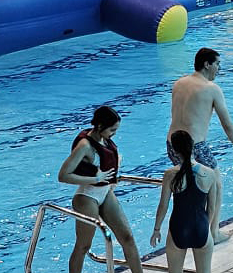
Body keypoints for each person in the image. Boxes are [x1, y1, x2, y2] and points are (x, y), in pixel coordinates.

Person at [167, 48, 233, 243]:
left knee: (188, 187)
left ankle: (188, 227)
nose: (219, 69)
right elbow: (228, 125)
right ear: (207, 64)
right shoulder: (211, 89)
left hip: (172, 144)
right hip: (194, 146)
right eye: (217, 64)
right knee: (216, 185)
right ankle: (212, 233)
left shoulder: (179, 83)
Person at [57, 106, 144, 273]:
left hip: (105, 193)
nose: (114, 134)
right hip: (87, 197)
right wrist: (95, 179)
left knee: (128, 238)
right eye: (112, 130)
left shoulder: (104, 140)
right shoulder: (85, 146)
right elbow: (63, 175)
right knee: (83, 246)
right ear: (100, 126)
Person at [152, 130, 221, 273]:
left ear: (174, 151)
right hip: (201, 228)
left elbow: (163, 206)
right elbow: (212, 208)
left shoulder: (170, 174)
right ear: (193, 146)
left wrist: (156, 230)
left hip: (178, 228)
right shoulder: (209, 173)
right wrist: (205, 228)